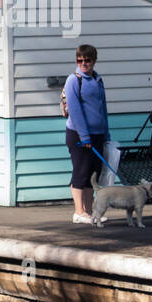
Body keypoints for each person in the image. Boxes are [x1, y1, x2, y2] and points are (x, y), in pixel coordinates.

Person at [64, 44, 110, 224]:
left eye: (87, 60)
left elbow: (103, 108)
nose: (83, 63)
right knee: (81, 172)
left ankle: (90, 212)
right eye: (80, 60)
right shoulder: (74, 80)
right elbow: (75, 111)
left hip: (97, 134)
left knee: (93, 174)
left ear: (94, 60)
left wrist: (106, 134)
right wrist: (84, 137)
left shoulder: (98, 80)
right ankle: (78, 212)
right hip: (78, 135)